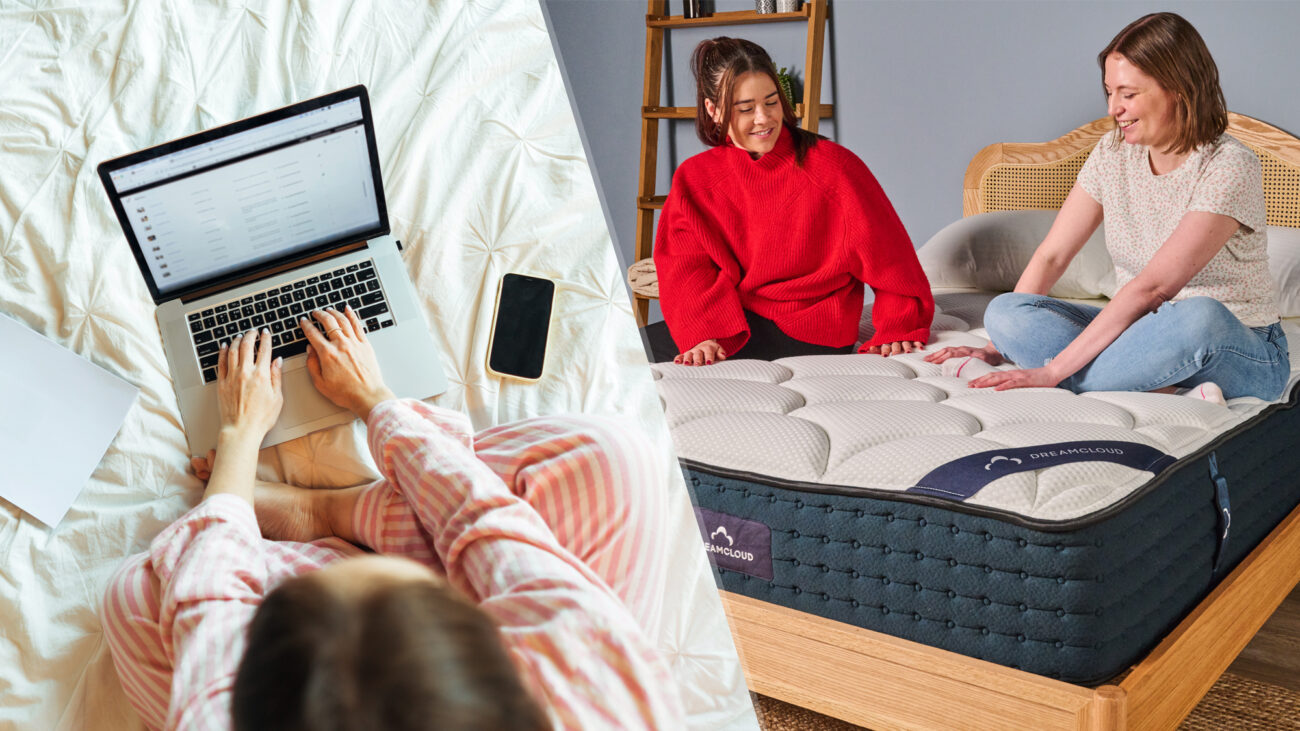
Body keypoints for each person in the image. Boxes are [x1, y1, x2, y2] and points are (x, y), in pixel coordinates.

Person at [101, 308, 683, 730]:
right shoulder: (599, 688)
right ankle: (329, 510)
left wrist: (239, 436)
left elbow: (209, 602)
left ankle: (324, 516)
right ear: (503, 651)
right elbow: (481, 519)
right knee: (610, 457)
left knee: (131, 596)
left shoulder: (216, 717)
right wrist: (375, 400)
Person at [925, 12, 1289, 404]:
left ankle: (1104, 381)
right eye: (1109, 92)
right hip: (1136, 332)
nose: (1114, 108)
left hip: (1241, 346)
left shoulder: (1229, 165)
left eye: (1128, 94)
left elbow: (1153, 289)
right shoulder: (1112, 152)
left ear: (1179, 90)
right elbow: (1052, 255)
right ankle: (1160, 385)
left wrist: (1051, 371)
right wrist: (997, 347)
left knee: (1199, 315)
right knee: (1006, 311)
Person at [645, 37, 934, 366]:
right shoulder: (695, 178)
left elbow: (890, 256)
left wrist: (899, 324)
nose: (763, 118)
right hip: (737, 318)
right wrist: (703, 334)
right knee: (623, 345)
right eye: (745, 108)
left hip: (812, 330)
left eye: (771, 102)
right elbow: (685, 268)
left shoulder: (832, 166)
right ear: (713, 110)